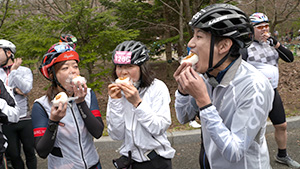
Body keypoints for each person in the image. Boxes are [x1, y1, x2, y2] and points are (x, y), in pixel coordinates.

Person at [174, 4, 274, 169]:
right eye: (193, 35)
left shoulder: (255, 86)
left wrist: (204, 102)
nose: (191, 44)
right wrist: (183, 91)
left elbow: (234, 152)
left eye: (199, 36)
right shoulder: (205, 75)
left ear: (223, 46)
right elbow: (183, 117)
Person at [240, 12, 300, 168]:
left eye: (266, 27)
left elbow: (290, 58)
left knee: (281, 125)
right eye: (260, 27)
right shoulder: (246, 47)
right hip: (254, 95)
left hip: (272, 92)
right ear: (251, 30)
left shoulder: (272, 43)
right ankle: (248, 159)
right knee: (254, 130)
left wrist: (277, 44)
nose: (264, 30)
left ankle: (282, 155)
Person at [31, 43, 104, 169]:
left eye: (75, 66)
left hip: (94, 165)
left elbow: (97, 132)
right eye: (65, 68)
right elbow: (42, 151)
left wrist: (81, 102)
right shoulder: (42, 105)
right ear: (53, 75)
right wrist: (53, 121)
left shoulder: (88, 95)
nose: (73, 71)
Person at [106, 40, 175, 169]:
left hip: (155, 161)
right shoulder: (116, 92)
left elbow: (159, 127)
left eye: (129, 66)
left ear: (142, 68)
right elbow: (116, 135)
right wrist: (115, 102)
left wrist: (137, 103)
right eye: (119, 67)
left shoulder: (157, 88)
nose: (123, 72)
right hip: (129, 161)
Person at [0, 39, 37, 169]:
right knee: (14, 155)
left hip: (24, 118)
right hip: (7, 121)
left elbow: (26, 88)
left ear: (8, 52)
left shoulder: (24, 70)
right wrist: (14, 90)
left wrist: (14, 72)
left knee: (30, 152)